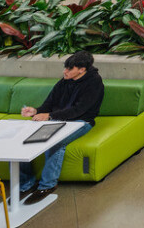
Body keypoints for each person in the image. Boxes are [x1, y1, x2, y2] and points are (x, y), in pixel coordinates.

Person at [15, 51, 103, 204]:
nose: (65, 71)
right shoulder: (64, 81)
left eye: (69, 69)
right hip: (57, 119)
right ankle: (26, 184)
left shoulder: (94, 83)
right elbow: (49, 103)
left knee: (55, 142)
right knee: (25, 139)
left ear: (81, 69)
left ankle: (47, 185)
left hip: (81, 122)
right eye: (65, 68)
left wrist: (49, 116)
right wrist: (36, 111)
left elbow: (78, 110)